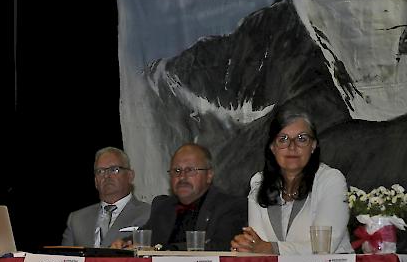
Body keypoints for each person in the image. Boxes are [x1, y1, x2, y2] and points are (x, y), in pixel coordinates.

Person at [231, 109, 353, 254]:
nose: (292, 147)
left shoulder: (331, 180)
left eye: (301, 139)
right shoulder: (258, 182)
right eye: (283, 139)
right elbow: (258, 245)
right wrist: (247, 246)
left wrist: (270, 248)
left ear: (313, 145)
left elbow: (324, 247)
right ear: (272, 147)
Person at [113, 143, 246, 251]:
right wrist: (123, 245)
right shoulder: (164, 206)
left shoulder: (230, 206)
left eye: (190, 170)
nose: (182, 177)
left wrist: (162, 250)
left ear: (209, 175)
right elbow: (145, 237)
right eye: (176, 171)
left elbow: (220, 247)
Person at [61, 147, 151, 247]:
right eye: (100, 171)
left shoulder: (149, 214)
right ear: (95, 181)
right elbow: (63, 259)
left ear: (130, 176)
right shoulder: (77, 219)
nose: (107, 176)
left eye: (114, 170)